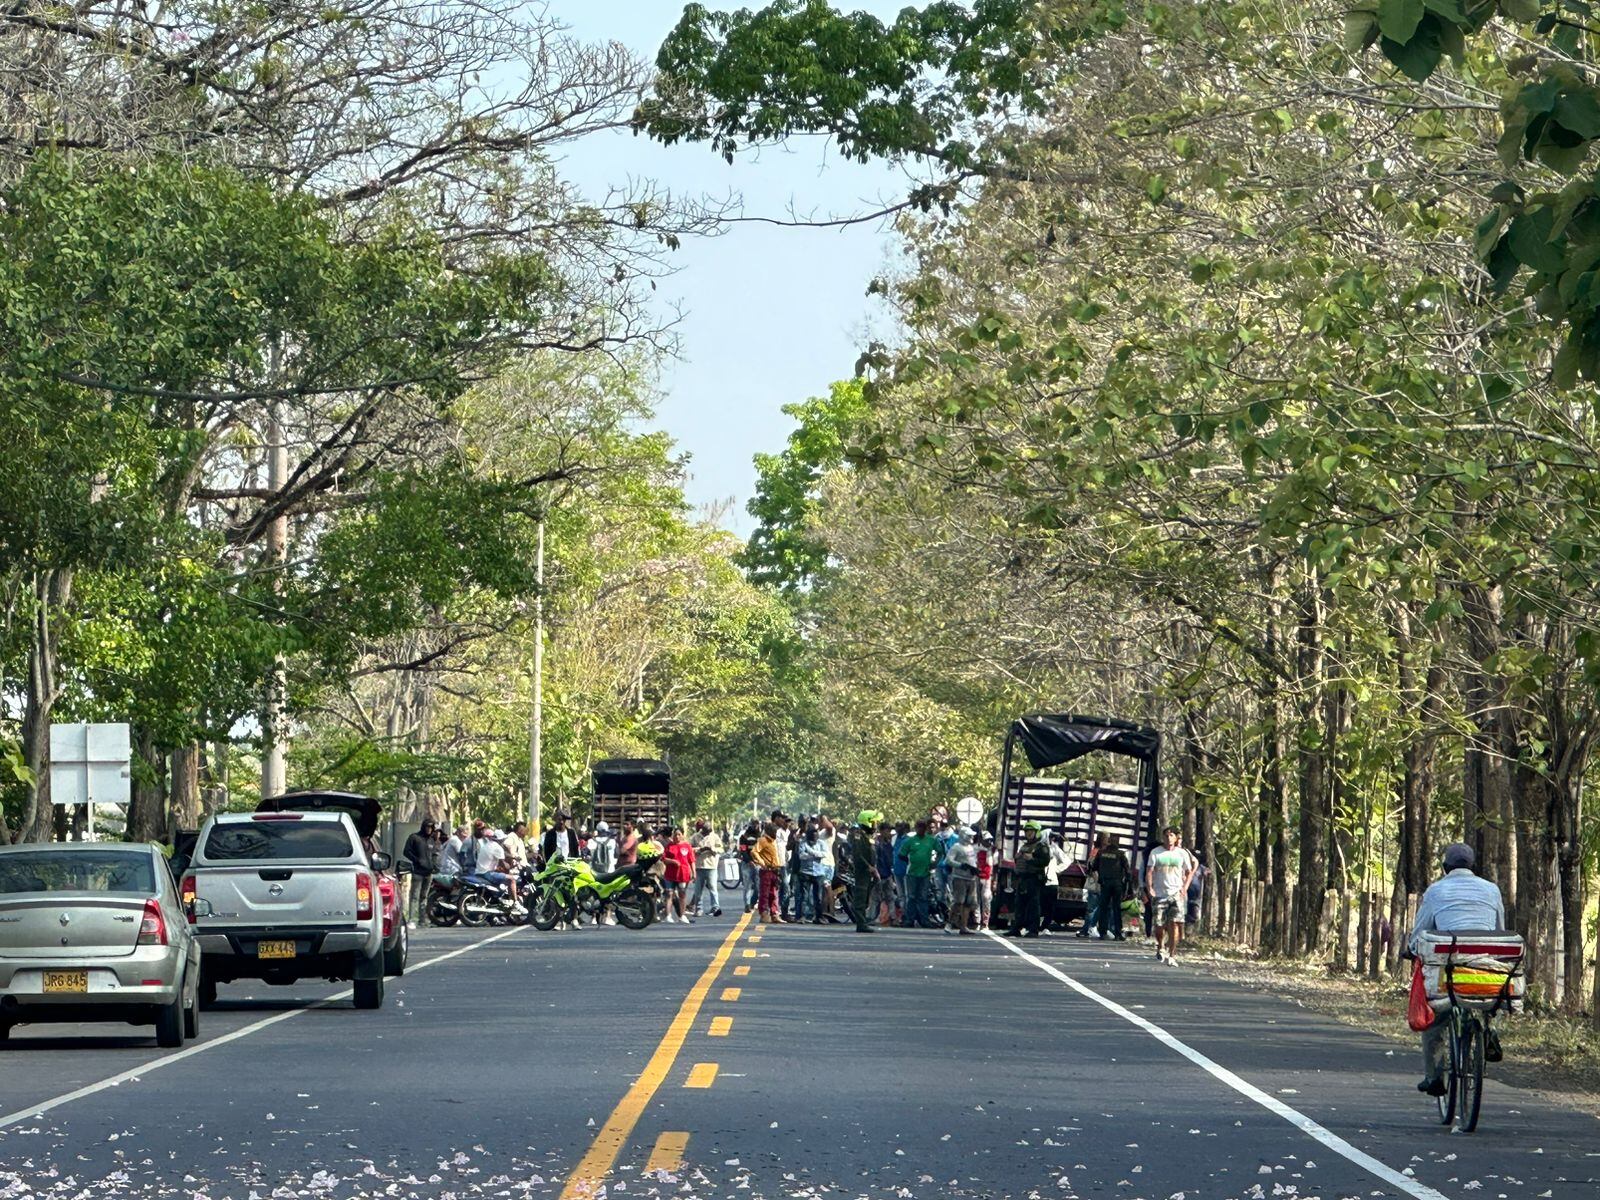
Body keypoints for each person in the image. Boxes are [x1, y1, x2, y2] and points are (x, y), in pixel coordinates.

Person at [1409, 842, 1507, 1097]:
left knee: (1436, 1018)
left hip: (1449, 976)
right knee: (1487, 1002)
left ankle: (1434, 1076)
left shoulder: (1435, 891)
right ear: (1473, 866)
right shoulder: (1492, 890)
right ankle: (1488, 1029)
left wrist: (1410, 949)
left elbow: (1420, 933)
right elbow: (1499, 931)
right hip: (1484, 973)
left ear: (1445, 867)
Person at [1145, 826, 1197, 964]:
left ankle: (1172, 954)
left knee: (1175, 923)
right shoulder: (1156, 852)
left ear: (1176, 838)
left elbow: (1189, 871)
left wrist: (1184, 888)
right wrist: (1149, 888)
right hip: (1160, 893)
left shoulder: (1182, 853)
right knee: (1159, 924)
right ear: (1163, 837)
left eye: (1171, 835)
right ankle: (1161, 945)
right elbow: (1149, 871)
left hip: (1176, 893)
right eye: (1166, 835)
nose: (1169, 838)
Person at [1008, 821, 1050, 937]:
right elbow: (1020, 862)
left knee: (1033, 905)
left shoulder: (1041, 847)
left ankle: (1033, 930)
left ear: (1037, 832)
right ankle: (1017, 928)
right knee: (1019, 904)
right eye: (1027, 831)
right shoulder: (1025, 846)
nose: (1028, 833)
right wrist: (1017, 858)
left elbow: (1045, 862)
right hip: (1022, 878)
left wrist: (1032, 859)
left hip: (1034, 879)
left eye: (1031, 831)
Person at [897, 819, 941, 928]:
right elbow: (901, 854)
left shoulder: (931, 840)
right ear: (916, 828)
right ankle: (910, 920)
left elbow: (940, 851)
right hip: (912, 873)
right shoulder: (910, 841)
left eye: (923, 827)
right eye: (919, 827)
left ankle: (924, 920)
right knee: (911, 897)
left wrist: (935, 863)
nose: (921, 829)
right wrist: (910, 861)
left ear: (925, 828)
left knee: (923, 897)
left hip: (925, 873)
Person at [1094, 833, 1132, 940]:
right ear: (1118, 843)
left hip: (1105, 883)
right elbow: (1128, 871)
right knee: (1116, 908)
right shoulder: (1121, 854)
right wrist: (1128, 885)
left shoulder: (1101, 853)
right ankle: (1118, 933)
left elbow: (1094, 867)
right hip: (1117, 885)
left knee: (1103, 908)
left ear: (1109, 842)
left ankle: (1102, 932)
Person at [403, 818, 439, 926]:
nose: (429, 829)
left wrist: (434, 865)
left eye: (431, 827)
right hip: (418, 872)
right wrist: (417, 860)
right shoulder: (414, 837)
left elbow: (434, 854)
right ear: (423, 827)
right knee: (414, 896)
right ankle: (412, 919)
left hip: (428, 873)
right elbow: (406, 851)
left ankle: (422, 920)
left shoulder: (431, 840)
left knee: (424, 897)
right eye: (427, 827)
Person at [944, 828, 979, 935]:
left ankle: (963, 926)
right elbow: (948, 860)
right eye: (969, 835)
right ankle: (950, 923)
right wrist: (961, 865)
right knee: (959, 901)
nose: (972, 837)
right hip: (959, 878)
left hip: (971, 878)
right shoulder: (956, 847)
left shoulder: (971, 848)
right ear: (963, 835)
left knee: (968, 903)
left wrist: (975, 869)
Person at [848, 810, 878, 932]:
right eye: (874, 822)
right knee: (860, 897)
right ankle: (861, 924)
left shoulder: (867, 836)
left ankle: (863, 920)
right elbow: (858, 854)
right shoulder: (859, 835)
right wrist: (869, 866)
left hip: (869, 872)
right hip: (862, 871)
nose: (876, 824)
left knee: (865, 898)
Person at [689, 819, 724, 917]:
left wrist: (712, 849)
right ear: (702, 829)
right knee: (698, 890)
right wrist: (699, 849)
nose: (708, 833)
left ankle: (715, 907)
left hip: (711, 866)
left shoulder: (714, 837)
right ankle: (698, 908)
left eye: (709, 831)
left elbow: (721, 849)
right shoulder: (695, 837)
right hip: (699, 866)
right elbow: (689, 849)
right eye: (706, 831)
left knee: (713, 888)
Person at [797, 824, 831, 924]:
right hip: (805, 872)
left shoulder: (821, 843)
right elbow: (801, 856)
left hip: (819, 873)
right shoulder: (803, 843)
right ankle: (802, 916)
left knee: (818, 897)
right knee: (804, 896)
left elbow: (824, 854)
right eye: (812, 836)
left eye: (816, 836)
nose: (814, 839)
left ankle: (819, 917)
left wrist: (810, 852)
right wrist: (815, 854)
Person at [752, 822, 783, 922]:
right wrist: (761, 862)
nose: (776, 833)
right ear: (769, 831)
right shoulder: (763, 840)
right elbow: (754, 851)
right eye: (774, 831)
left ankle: (774, 914)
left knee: (774, 893)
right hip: (767, 871)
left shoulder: (775, 841)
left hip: (775, 870)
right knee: (765, 893)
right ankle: (764, 913)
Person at [1078, 833, 1107, 939]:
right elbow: (1092, 867)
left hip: (1095, 883)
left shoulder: (1095, 850)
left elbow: (1089, 865)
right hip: (1096, 883)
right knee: (1093, 908)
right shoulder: (1098, 852)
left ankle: (1088, 929)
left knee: (1094, 908)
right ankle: (1089, 928)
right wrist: (1098, 881)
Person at [663, 827, 695, 923]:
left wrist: (694, 872)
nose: (677, 837)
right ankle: (668, 915)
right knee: (669, 894)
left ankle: (682, 915)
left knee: (682, 894)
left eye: (679, 834)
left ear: (682, 835)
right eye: (675, 834)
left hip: (683, 875)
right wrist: (672, 861)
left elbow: (691, 860)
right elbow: (664, 859)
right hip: (670, 874)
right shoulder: (669, 846)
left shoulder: (687, 846)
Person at [873, 822, 897, 925]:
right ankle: (872, 917)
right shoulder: (876, 844)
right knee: (876, 897)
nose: (889, 833)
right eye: (887, 831)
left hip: (887, 874)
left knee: (890, 897)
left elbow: (890, 859)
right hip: (879, 874)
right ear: (882, 831)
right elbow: (874, 859)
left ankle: (892, 917)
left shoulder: (888, 844)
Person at [737, 820, 761, 914]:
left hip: (758, 864)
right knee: (747, 885)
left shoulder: (760, 837)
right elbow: (743, 851)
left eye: (757, 825)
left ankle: (752, 902)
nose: (755, 827)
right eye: (754, 825)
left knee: (758, 886)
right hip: (747, 864)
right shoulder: (744, 837)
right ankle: (747, 905)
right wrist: (749, 861)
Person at [976, 832, 996, 931]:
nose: (989, 842)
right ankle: (976, 922)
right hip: (976, 877)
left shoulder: (993, 851)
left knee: (986, 899)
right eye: (987, 840)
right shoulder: (976, 849)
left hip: (988, 878)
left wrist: (995, 881)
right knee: (975, 900)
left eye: (990, 840)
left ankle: (985, 923)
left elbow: (995, 866)